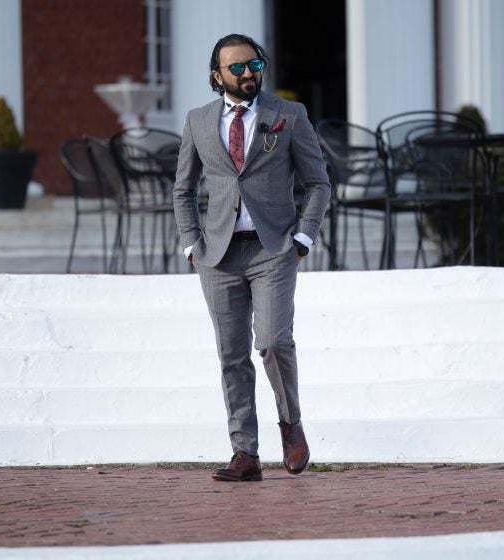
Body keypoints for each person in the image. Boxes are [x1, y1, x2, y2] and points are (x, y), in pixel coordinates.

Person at [173, 33, 330, 481]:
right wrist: (192, 244)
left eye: (254, 65)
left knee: (274, 342)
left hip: (273, 248)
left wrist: (303, 237)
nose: (248, 74)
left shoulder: (289, 115)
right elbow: (183, 189)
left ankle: (291, 425)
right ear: (216, 75)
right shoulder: (199, 121)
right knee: (232, 354)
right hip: (218, 254)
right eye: (237, 68)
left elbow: (318, 183)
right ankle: (245, 453)